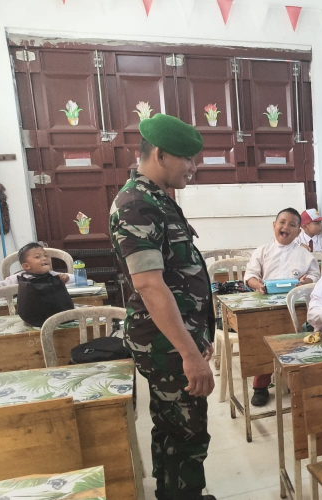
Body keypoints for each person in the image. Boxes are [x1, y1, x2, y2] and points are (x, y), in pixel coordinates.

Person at [109, 113, 216, 500]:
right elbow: (150, 286)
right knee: (188, 431)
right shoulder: (136, 205)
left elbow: (176, 276)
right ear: (159, 154)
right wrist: (190, 354)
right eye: (187, 158)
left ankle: (173, 492)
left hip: (173, 339)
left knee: (173, 427)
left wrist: (198, 336)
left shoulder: (157, 199)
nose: (193, 167)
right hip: (166, 345)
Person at [244, 207, 320, 406]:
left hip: (296, 308)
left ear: (298, 231)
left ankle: (297, 381)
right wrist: (258, 284)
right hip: (266, 309)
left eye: (292, 225)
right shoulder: (263, 251)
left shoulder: (304, 254)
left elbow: (315, 275)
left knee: (298, 343)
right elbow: (249, 276)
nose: (286, 227)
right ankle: (260, 386)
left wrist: (306, 281)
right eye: (282, 222)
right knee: (262, 343)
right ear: (274, 225)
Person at [0, 242, 74, 287]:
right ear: (26, 266)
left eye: (46, 256)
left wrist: (67, 278)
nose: (44, 258)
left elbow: (77, 279)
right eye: (37, 257)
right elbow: (2, 286)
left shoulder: (52, 275)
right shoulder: (18, 278)